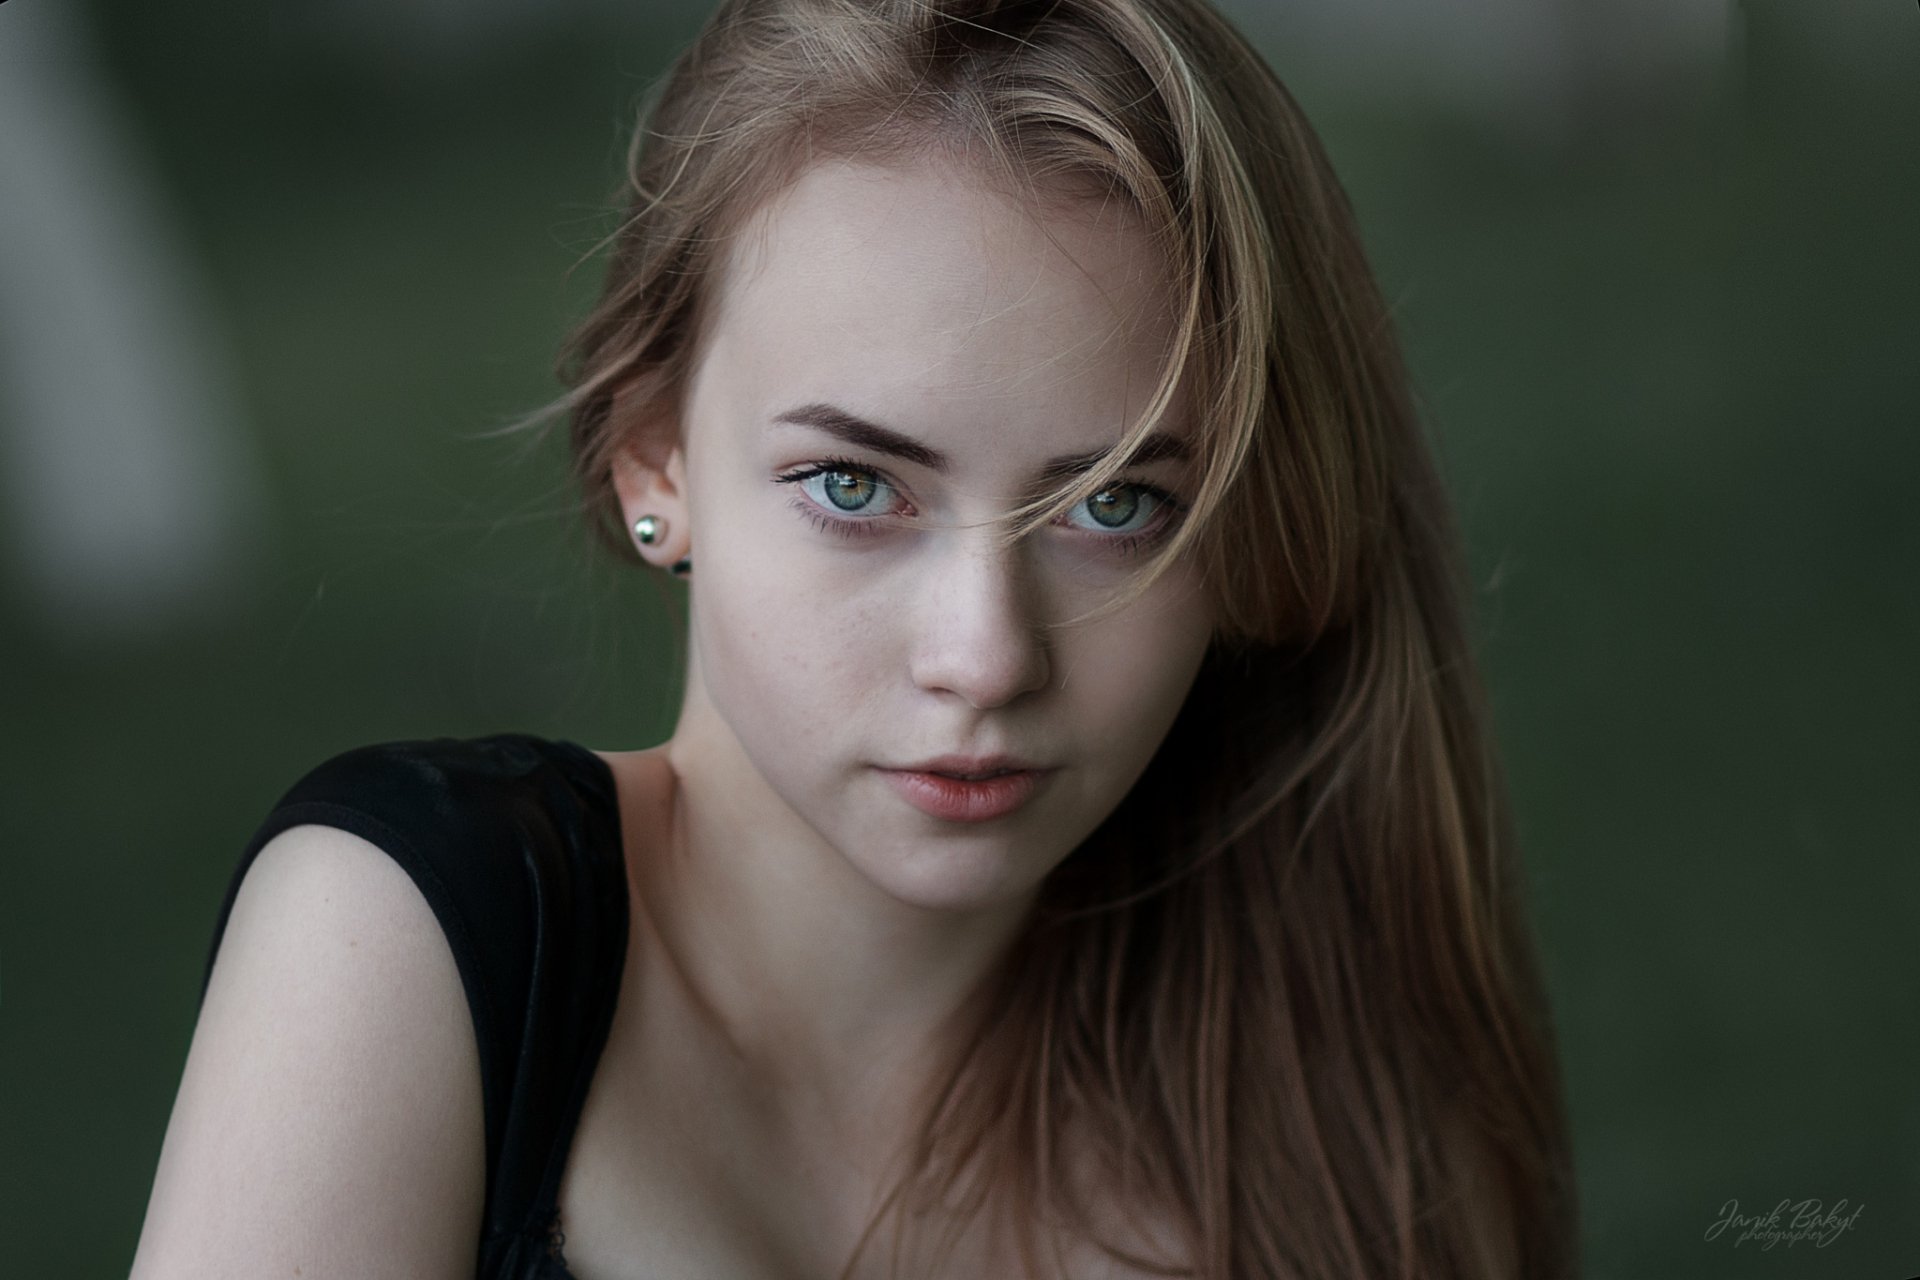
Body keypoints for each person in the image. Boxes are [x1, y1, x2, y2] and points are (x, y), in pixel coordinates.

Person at [130, 1, 1579, 1277]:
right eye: (856, 487)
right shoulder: (413, 943)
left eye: (1118, 504)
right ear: (656, 465)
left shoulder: (1353, 1145)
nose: (985, 656)